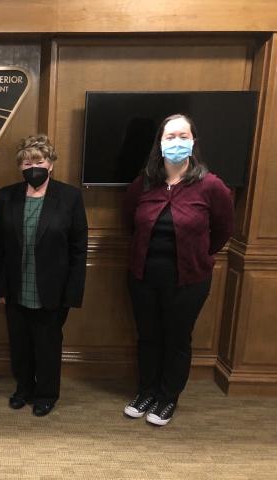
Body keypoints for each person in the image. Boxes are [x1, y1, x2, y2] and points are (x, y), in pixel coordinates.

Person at [123, 113, 234, 426]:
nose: (176, 142)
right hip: (143, 276)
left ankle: (167, 398)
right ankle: (146, 392)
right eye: (169, 137)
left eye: (182, 136)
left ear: (193, 142)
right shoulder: (143, 183)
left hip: (188, 281)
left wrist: (198, 255)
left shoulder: (212, 187)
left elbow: (223, 230)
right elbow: (129, 222)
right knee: (148, 337)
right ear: (159, 143)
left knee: (176, 339)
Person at [0, 135, 88, 417]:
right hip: (15, 286)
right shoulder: (6, 196)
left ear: (51, 164)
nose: (33, 167)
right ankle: (23, 389)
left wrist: (72, 293)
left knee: (47, 345)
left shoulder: (69, 197)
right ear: (20, 166)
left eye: (39, 161)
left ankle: (46, 393)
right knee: (19, 343)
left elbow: (79, 250)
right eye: (27, 162)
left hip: (53, 290)